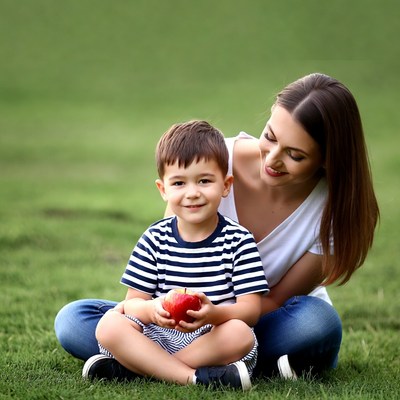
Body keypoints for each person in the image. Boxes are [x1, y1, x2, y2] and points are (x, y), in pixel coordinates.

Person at [55, 73, 379, 380]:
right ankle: (213, 371)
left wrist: (216, 317)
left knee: (315, 322)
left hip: (258, 319)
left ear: (327, 159)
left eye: (294, 155)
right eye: (270, 137)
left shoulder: (334, 211)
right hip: (180, 323)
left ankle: (142, 364)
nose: (272, 160)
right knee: (74, 320)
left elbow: (274, 301)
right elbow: (169, 262)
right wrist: (165, 314)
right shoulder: (211, 160)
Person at [81, 120, 269, 390]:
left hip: (210, 338)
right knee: (109, 324)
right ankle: (192, 378)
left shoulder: (239, 240)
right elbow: (132, 304)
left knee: (240, 333)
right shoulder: (155, 238)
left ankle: (143, 369)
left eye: (204, 181)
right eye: (179, 183)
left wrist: (213, 314)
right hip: (159, 333)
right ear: (163, 190)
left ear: (226, 185)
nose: (192, 193)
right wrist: (152, 310)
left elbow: (250, 311)